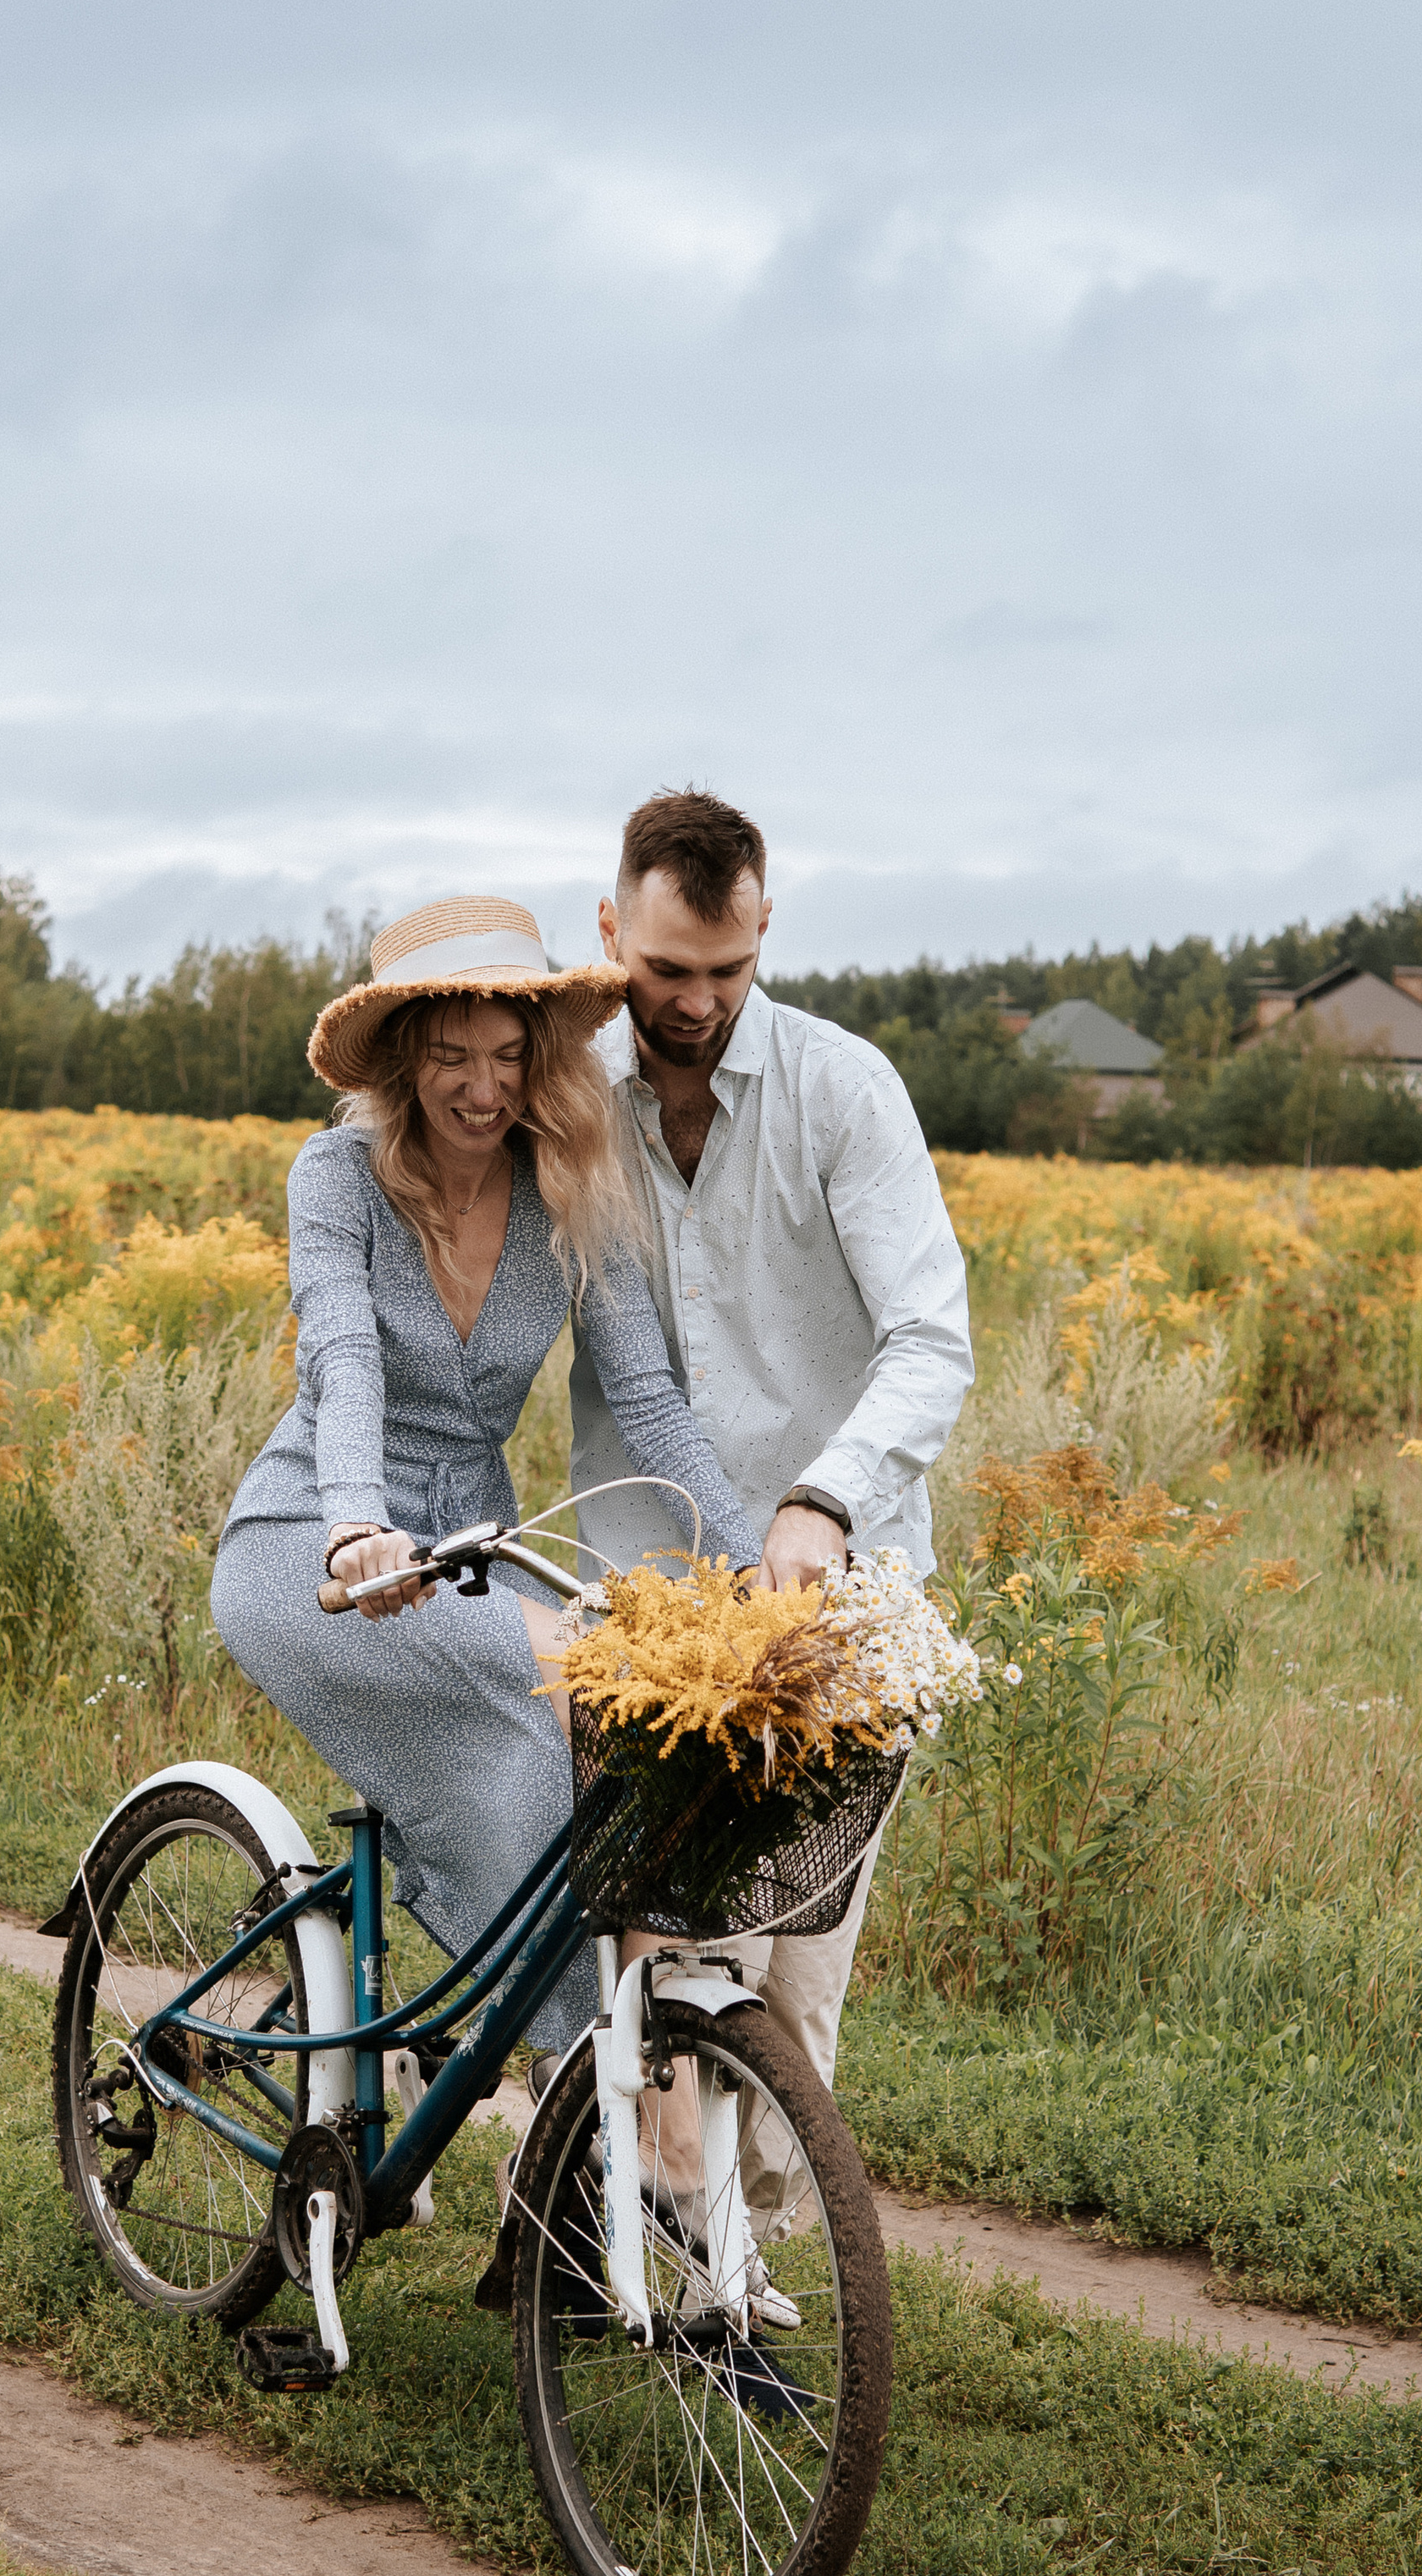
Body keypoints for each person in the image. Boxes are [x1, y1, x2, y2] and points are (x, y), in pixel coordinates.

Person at [212, 893, 758, 2056]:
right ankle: (580, 2079)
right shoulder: (338, 1175)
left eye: (509, 1056)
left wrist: (753, 1564)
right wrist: (355, 1528)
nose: (483, 1087)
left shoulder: (570, 1183)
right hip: (315, 1545)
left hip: (469, 1551)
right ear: (404, 1060)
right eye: (453, 1057)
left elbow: (649, 1398)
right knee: (584, 1681)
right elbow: (344, 1358)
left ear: (541, 1058)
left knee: (618, 1747)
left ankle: (602, 2083)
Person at [568, 788, 973, 2209]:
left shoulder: (843, 1090)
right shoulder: (571, 1103)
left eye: (728, 969)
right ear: (609, 928)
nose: (696, 1002)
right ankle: (667, 2253)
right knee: (675, 1958)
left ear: (765, 931)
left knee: (796, 1988)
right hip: (657, 1596)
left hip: (837, 1597)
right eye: (665, 969)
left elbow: (932, 1342)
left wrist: (825, 1498)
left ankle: (748, 2265)